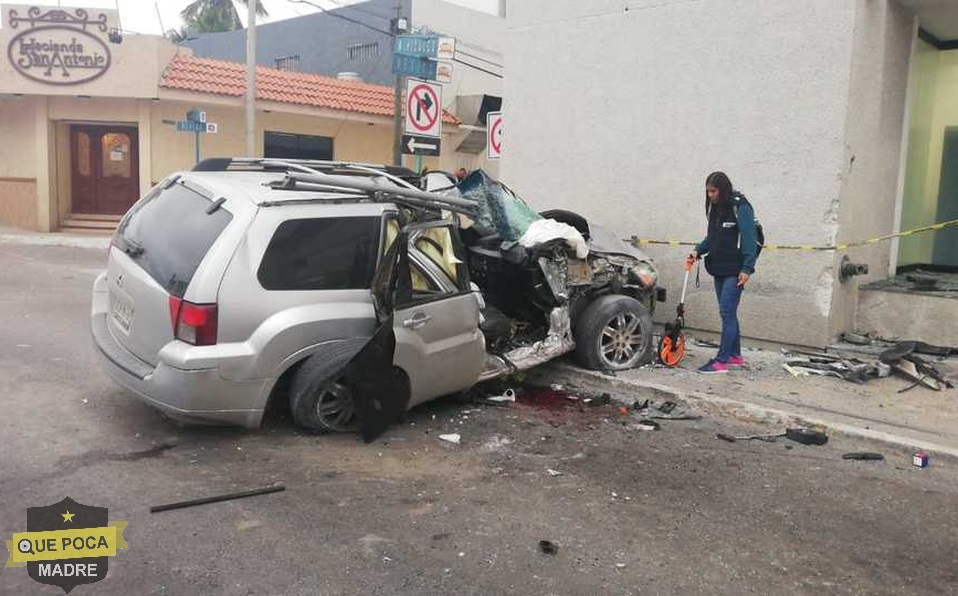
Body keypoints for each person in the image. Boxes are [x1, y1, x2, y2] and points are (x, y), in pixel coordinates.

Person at [687, 171, 758, 374]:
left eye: (713, 191)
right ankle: (735, 356)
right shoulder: (717, 209)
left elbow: (749, 238)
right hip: (719, 267)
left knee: (727, 312)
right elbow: (713, 238)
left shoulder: (741, 207)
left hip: (735, 270)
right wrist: (697, 250)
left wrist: (747, 268)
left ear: (723, 189)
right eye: (707, 191)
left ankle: (721, 361)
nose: (710, 195)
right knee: (728, 312)